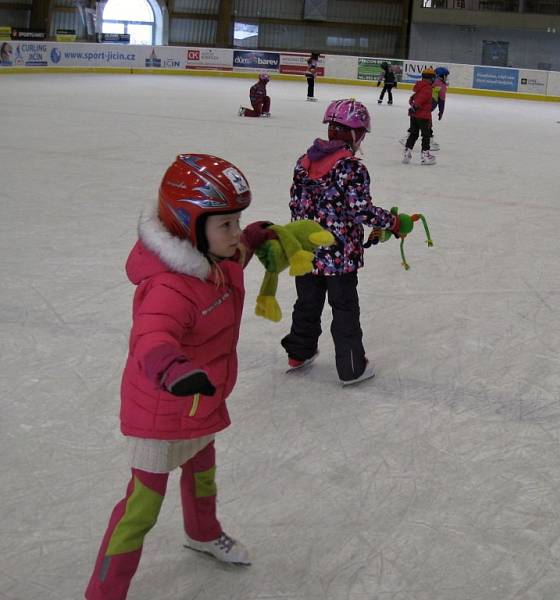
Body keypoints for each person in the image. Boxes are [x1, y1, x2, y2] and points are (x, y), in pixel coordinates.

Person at [84, 154, 267, 600]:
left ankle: (203, 533)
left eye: (237, 221)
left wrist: (255, 240)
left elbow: (232, 269)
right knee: (140, 509)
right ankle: (103, 593)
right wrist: (172, 368)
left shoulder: (214, 260)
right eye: (226, 225)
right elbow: (153, 336)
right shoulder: (169, 286)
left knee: (203, 475)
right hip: (164, 408)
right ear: (189, 226)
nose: (235, 233)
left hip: (199, 402)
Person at [277, 99, 399, 385]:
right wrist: (391, 222)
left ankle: (298, 353)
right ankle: (352, 367)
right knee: (344, 309)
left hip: (305, 251)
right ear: (353, 134)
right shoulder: (351, 168)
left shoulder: (304, 162)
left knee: (307, 303)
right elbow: (360, 210)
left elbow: (296, 205)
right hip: (339, 257)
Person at [401, 67, 437, 166]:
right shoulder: (428, 88)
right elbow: (421, 98)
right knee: (426, 136)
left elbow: (413, 98)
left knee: (413, 134)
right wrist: (415, 106)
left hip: (414, 116)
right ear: (431, 78)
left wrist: (413, 104)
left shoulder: (419, 86)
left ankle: (407, 153)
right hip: (423, 116)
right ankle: (425, 156)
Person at [429, 66, 449, 152]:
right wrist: (441, 111)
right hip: (427, 108)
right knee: (427, 125)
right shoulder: (441, 84)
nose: (447, 77)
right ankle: (429, 142)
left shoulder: (432, 82)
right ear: (442, 75)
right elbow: (442, 100)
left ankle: (408, 137)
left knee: (419, 123)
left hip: (423, 106)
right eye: (446, 75)